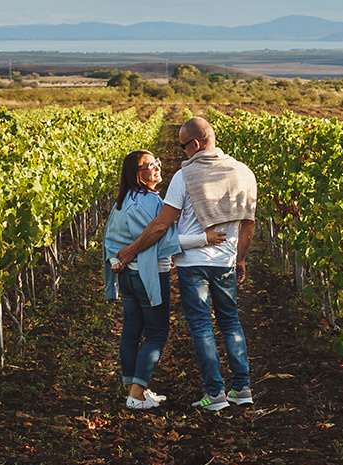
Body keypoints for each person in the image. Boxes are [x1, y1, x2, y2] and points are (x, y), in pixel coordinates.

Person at [112, 115, 255, 413]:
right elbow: (248, 224)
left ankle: (215, 393)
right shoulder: (243, 172)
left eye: (183, 147)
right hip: (226, 259)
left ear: (197, 144)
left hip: (193, 264)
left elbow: (161, 225)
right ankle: (242, 389)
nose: (182, 154)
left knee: (202, 326)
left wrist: (129, 252)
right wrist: (240, 258)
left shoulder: (184, 176)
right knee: (230, 321)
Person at [102, 150, 178, 410]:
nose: (157, 167)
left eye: (157, 161)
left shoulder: (122, 202)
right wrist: (206, 239)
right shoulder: (150, 202)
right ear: (138, 175)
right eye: (150, 165)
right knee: (157, 334)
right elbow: (166, 238)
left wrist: (117, 260)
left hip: (128, 277)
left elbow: (110, 240)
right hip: (149, 275)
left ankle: (132, 390)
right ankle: (136, 395)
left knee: (132, 331)